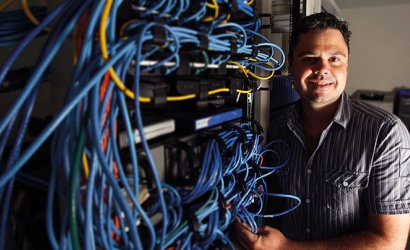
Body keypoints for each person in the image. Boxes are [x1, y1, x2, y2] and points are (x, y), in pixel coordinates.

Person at [234, 12, 410, 249]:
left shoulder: (385, 133)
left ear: (347, 64)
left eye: (335, 59)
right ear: (291, 66)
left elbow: (390, 243)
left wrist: (287, 248)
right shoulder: (273, 128)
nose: (322, 69)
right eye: (309, 58)